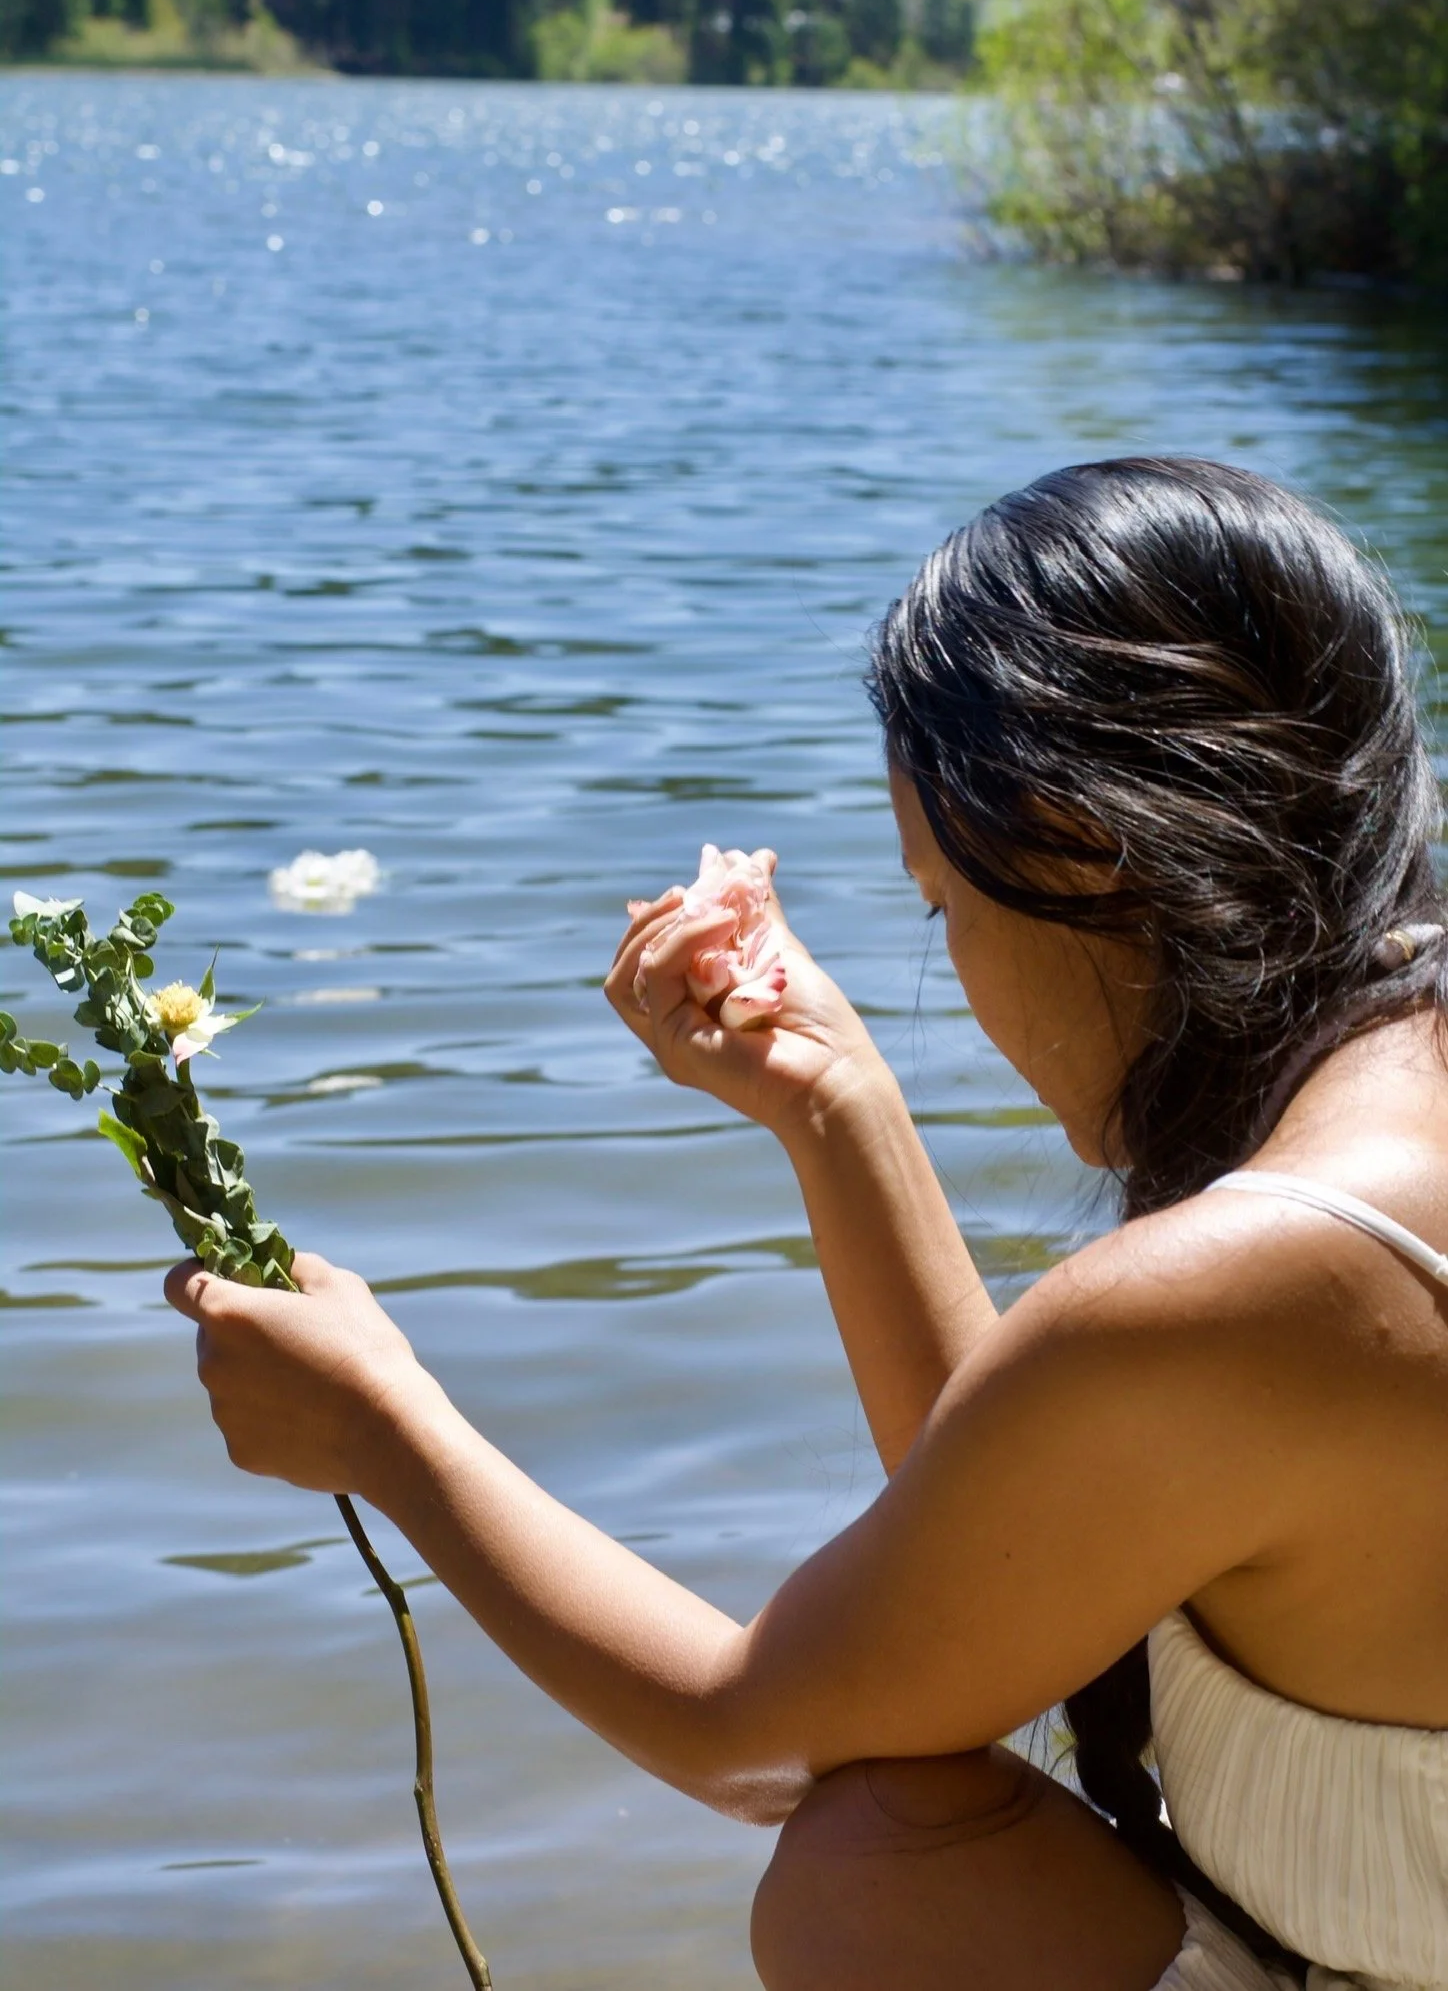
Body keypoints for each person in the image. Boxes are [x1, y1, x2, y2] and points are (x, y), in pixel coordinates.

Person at [166, 456, 1448, 1991]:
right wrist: (834, 1105)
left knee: (867, 1877)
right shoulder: (1389, 1079)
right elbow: (1027, 1537)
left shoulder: (1264, 1277)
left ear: (1076, 844)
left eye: (941, 907)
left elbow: (752, 1733)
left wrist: (387, 1431)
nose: (954, 972)